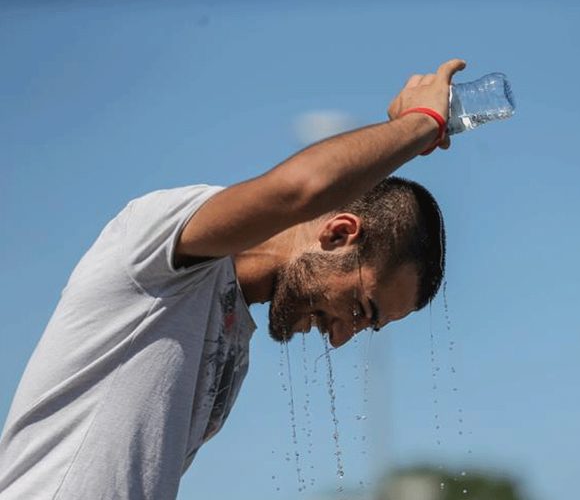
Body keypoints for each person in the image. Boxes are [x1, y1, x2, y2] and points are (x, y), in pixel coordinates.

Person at [0, 58, 467, 500]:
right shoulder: (161, 244)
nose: (342, 337)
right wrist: (421, 122)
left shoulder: (233, 344)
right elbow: (297, 191)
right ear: (339, 233)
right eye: (361, 309)